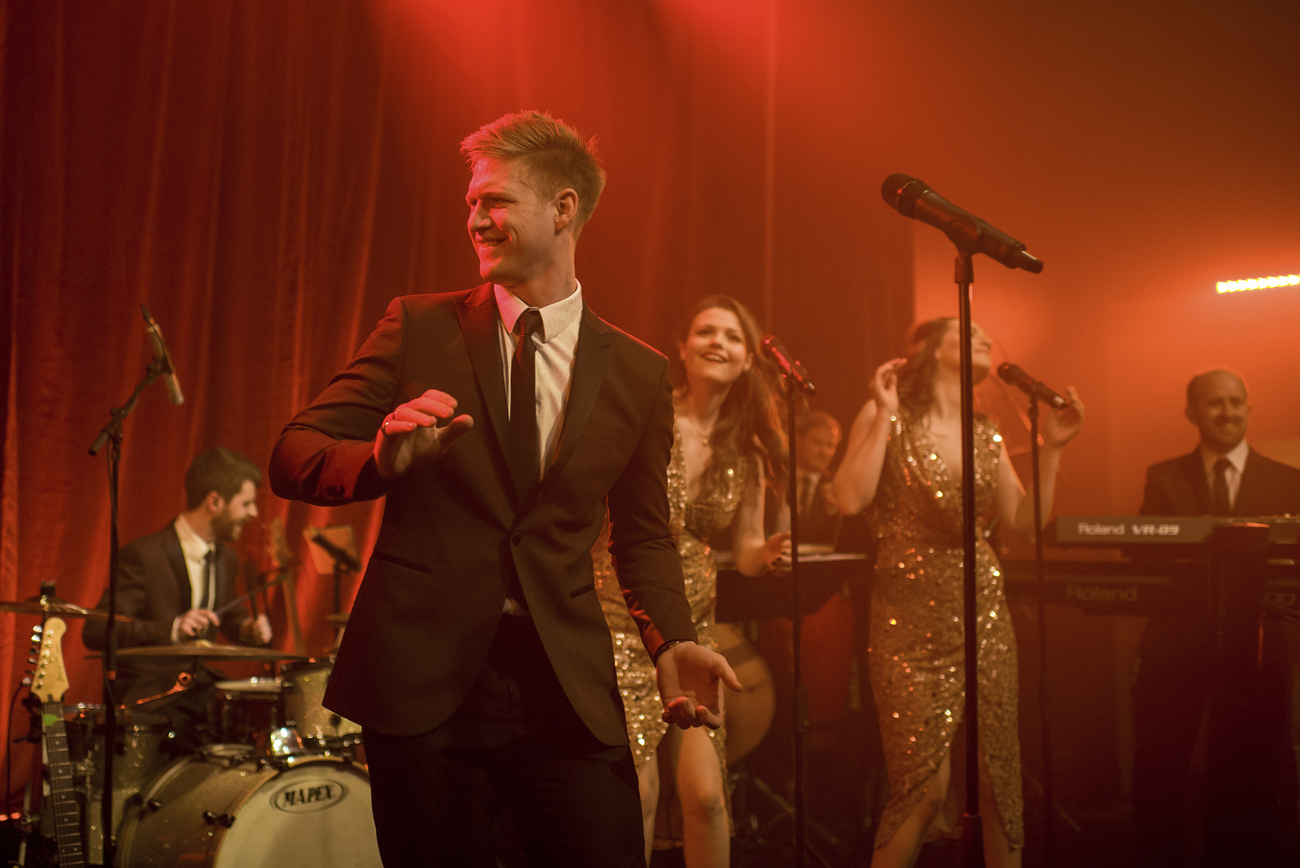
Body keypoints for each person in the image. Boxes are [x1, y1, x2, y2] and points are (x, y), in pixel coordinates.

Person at [269, 110, 739, 868]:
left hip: (566, 687)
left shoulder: (639, 372)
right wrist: (381, 461)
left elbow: (645, 535)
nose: (476, 220)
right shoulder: (418, 328)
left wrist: (673, 638)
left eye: (494, 201)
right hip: (425, 688)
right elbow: (294, 454)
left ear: (563, 209)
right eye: (470, 204)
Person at [832, 318, 1083, 868]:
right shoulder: (887, 415)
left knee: (999, 778)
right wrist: (884, 414)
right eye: (968, 334)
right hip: (906, 613)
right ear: (923, 350)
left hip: (983, 609)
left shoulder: (986, 430)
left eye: (988, 337)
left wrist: (1052, 447)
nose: (986, 340)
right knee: (923, 789)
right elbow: (849, 498)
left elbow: (1022, 521)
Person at [594, 295, 789, 867]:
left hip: (695, 629)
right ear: (682, 347)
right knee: (642, 792)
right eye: (705, 331)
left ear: (748, 359)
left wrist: (767, 554)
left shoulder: (746, 451)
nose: (717, 342)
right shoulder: (654, 417)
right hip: (623, 619)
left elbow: (745, 551)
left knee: (706, 799)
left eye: (731, 336)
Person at [1132, 369, 1300, 867]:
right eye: (1214, 404)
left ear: (1249, 408)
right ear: (1191, 413)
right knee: (1161, 767)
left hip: (1260, 643)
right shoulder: (1162, 477)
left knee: (1250, 772)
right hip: (1176, 642)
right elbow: (1144, 558)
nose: (1227, 412)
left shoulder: (1288, 481)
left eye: (1235, 402)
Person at [83, 447, 272, 704]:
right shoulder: (144, 555)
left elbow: (227, 617)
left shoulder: (227, 558)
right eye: (247, 503)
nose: (254, 513)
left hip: (199, 699)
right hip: (148, 702)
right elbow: (97, 631)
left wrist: (246, 629)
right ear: (214, 502)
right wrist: (172, 628)